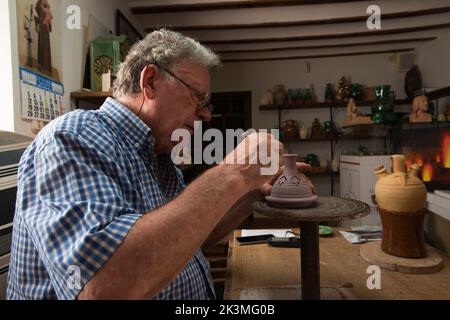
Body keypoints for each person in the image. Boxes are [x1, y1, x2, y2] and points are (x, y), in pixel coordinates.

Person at [7, 29, 299, 300]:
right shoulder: (71, 138)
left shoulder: (157, 156)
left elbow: (187, 238)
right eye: (197, 97)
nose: (205, 115)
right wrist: (234, 172)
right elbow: (104, 287)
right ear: (149, 82)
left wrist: (253, 192)